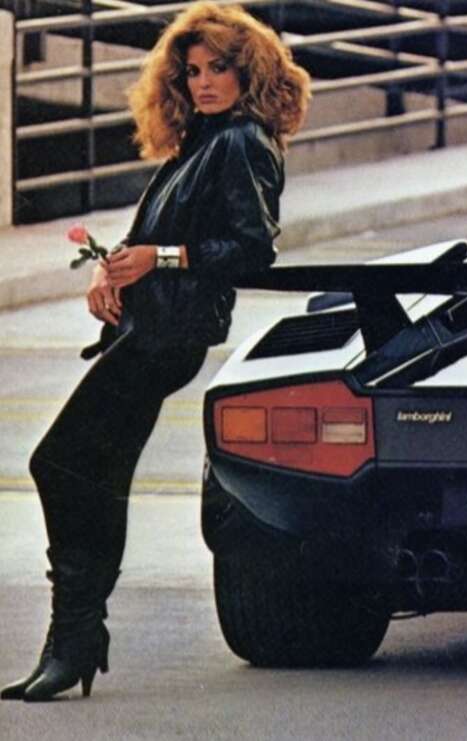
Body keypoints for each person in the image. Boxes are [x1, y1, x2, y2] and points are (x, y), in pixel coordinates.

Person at [1, 2, 309, 702]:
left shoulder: (241, 143)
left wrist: (159, 259)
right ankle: (76, 638)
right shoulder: (200, 144)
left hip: (173, 338)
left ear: (247, 72)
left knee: (59, 460)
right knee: (93, 469)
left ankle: (76, 633)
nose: (203, 82)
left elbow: (252, 249)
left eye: (218, 69)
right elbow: (159, 249)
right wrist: (114, 277)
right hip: (149, 330)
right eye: (192, 71)